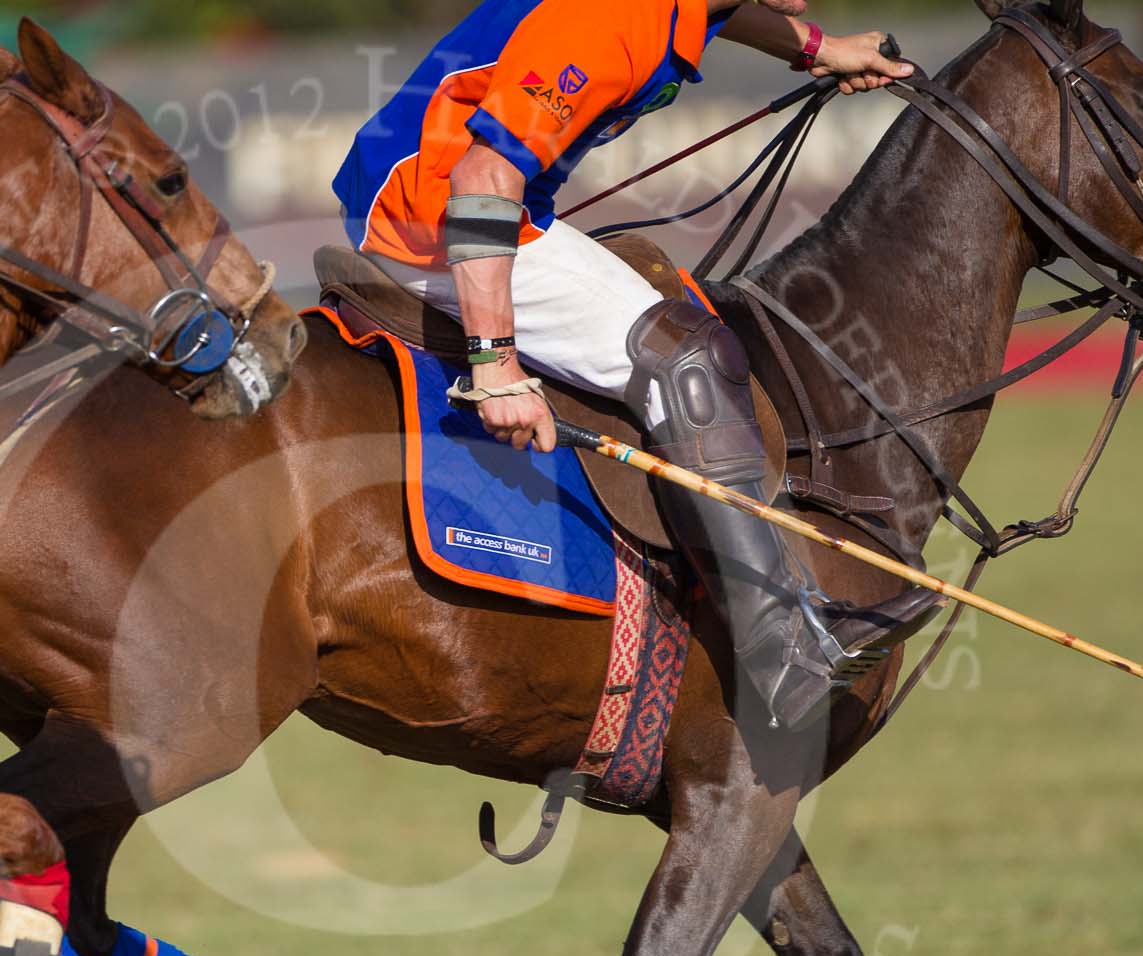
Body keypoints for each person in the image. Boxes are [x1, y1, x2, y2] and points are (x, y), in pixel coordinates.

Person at [334, 0, 941, 731]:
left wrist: (820, 48)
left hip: (442, 189)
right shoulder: (605, 20)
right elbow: (483, 180)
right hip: (432, 210)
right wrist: (494, 364)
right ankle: (782, 650)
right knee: (684, 354)